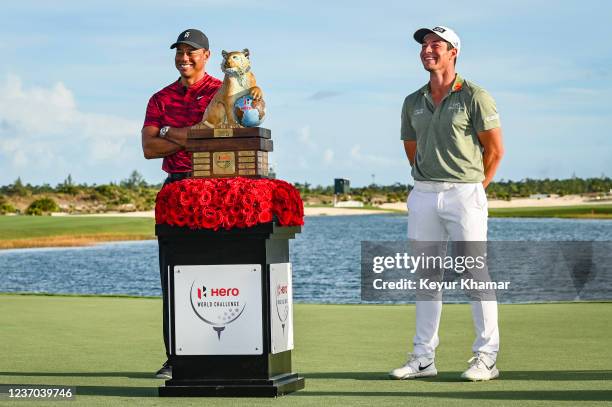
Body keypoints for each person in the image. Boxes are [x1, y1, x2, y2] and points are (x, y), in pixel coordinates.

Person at [389, 26, 504, 381]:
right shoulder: (412, 101)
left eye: (435, 44)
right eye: (424, 45)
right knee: (427, 277)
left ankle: (487, 357)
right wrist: (429, 180)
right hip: (423, 194)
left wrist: (474, 189)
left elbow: (495, 151)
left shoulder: (474, 96)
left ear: (453, 51)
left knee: (474, 273)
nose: (427, 49)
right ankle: (423, 358)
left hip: (465, 194)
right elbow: (412, 149)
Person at [141, 28, 222, 379]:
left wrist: (168, 132)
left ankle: (223, 354)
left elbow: (217, 141)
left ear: (206, 55)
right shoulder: (160, 98)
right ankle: (176, 358)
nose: (184, 57)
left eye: (192, 52)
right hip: (175, 190)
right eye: (180, 52)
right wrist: (191, 137)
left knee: (218, 272)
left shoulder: (223, 91)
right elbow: (148, 148)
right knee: (173, 277)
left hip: (216, 190)